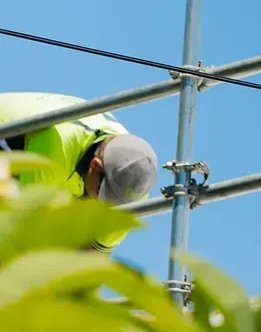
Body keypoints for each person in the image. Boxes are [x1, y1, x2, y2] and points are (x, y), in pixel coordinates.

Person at [0, 92, 158, 251]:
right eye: (102, 194)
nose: (101, 204)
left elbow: (95, 252)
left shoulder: (133, 186)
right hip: (10, 133)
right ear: (95, 166)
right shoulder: (56, 147)